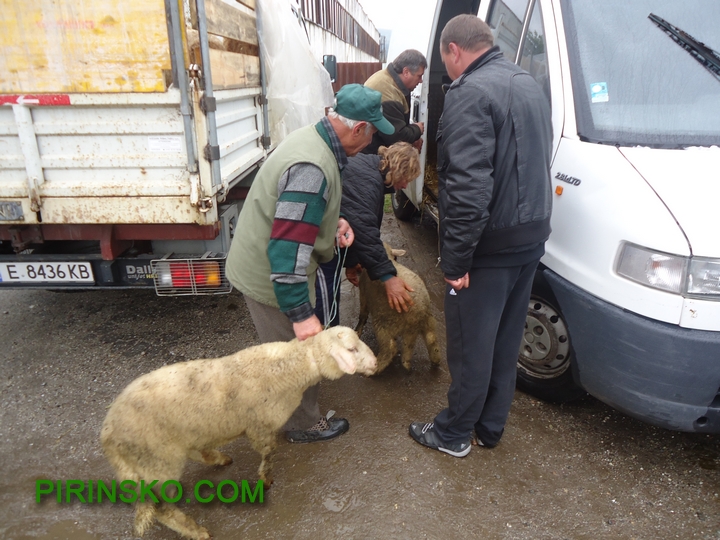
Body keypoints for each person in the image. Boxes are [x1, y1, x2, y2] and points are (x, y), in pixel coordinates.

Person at [409, 15, 553, 457]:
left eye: (443, 60)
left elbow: (469, 189)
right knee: (505, 340)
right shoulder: (525, 81)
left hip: (489, 246)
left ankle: (452, 433)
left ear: (453, 50)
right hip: (529, 238)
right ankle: (490, 427)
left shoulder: (470, 92)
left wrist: (456, 262)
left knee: (472, 345)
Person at [226, 84, 394, 443]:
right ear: (358, 128)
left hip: (264, 263)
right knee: (297, 358)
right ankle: (301, 424)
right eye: (373, 130)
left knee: (290, 352)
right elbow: (287, 248)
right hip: (271, 276)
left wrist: (332, 223)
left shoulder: (313, 140)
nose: (372, 140)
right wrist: (301, 314)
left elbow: (295, 212)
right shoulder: (313, 165)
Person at [312, 142, 420, 327]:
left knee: (330, 293)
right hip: (320, 244)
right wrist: (388, 277)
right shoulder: (367, 181)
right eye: (406, 178)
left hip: (332, 237)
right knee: (325, 300)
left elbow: (355, 220)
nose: (404, 185)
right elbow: (364, 229)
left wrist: (352, 262)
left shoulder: (369, 169)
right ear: (398, 169)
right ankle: (323, 346)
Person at [362, 49, 427, 154]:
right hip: (371, 155)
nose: (421, 81)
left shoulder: (390, 81)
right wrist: (417, 130)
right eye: (419, 76)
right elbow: (396, 137)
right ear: (406, 72)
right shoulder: (387, 92)